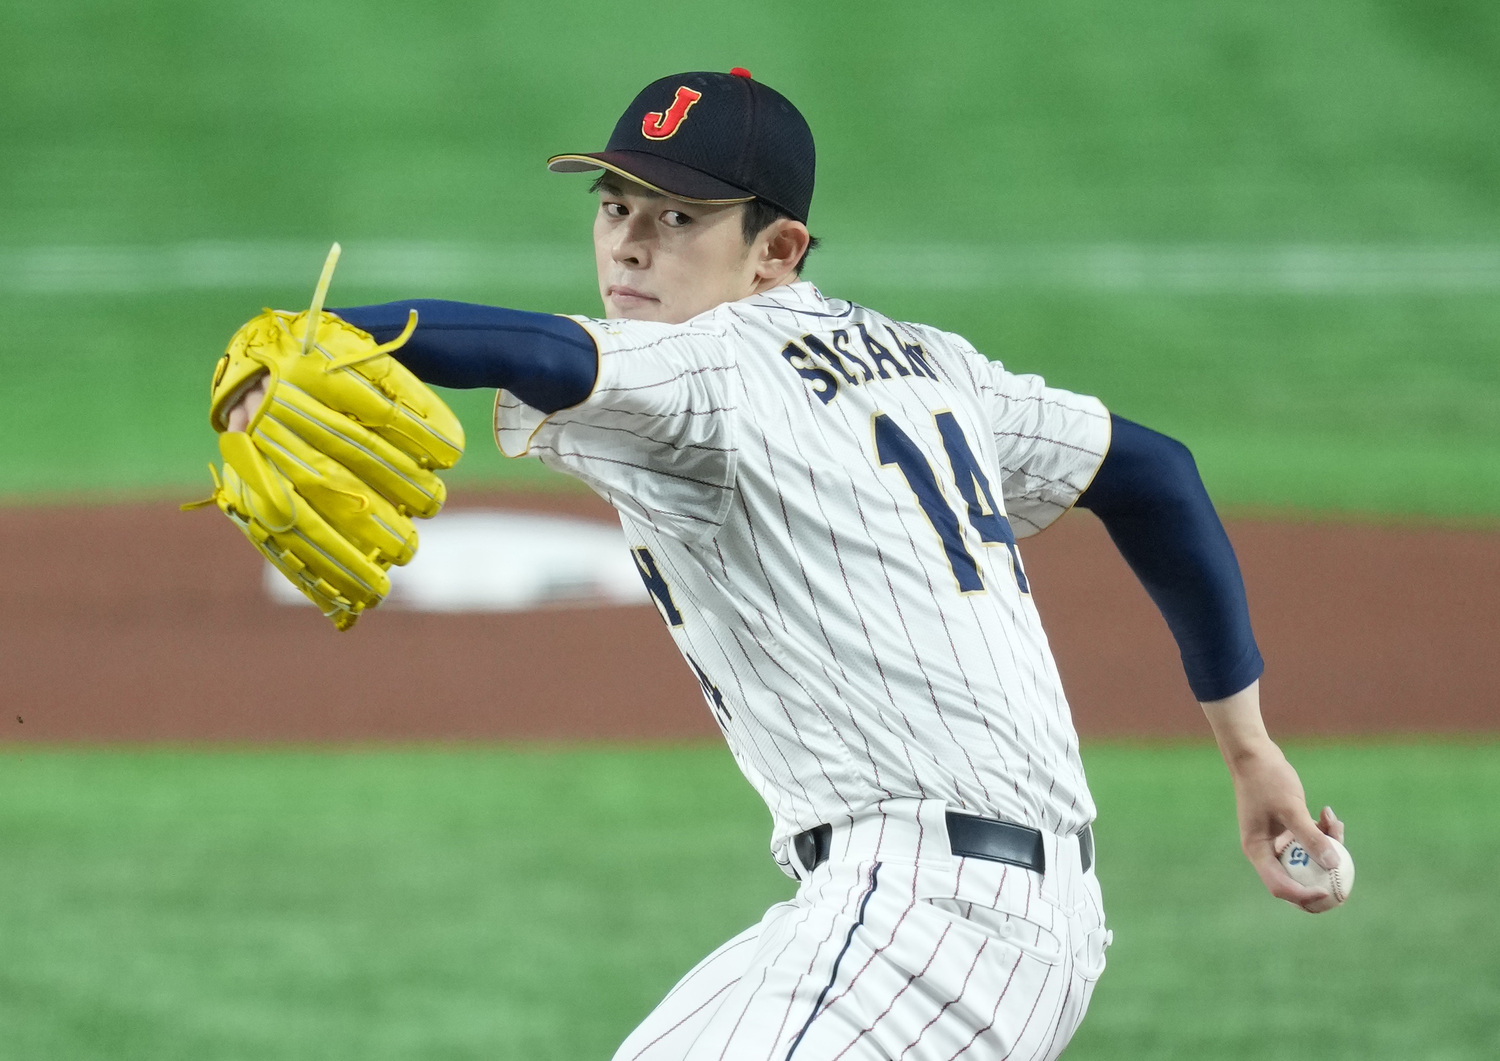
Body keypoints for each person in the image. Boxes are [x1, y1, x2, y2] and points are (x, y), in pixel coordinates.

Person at [227, 68, 1346, 1060]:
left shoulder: (714, 366)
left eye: (678, 217)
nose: (629, 242)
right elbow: (1154, 470)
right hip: (943, 916)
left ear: (776, 252)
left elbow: (542, 349)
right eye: (615, 206)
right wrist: (1250, 748)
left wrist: (322, 333)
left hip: (924, 924)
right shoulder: (935, 364)